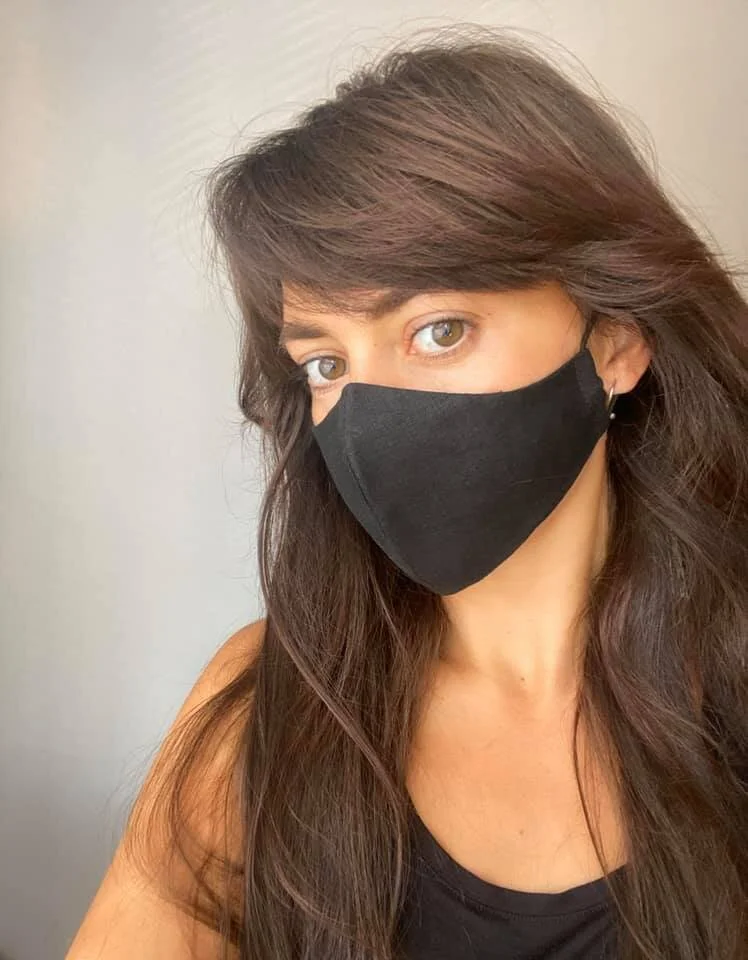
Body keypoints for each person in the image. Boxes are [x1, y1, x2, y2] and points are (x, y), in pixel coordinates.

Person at [65, 23, 747, 960]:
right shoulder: (268, 704)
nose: (367, 415)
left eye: (439, 331)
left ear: (616, 343)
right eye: (326, 362)